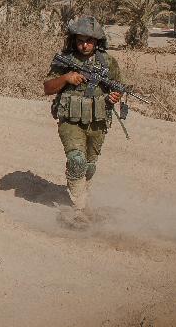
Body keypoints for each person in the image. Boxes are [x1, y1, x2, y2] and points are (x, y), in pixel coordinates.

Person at [42, 17, 123, 226]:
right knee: (77, 160)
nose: (84, 45)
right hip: (70, 120)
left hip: (98, 121)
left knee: (89, 167)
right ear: (73, 40)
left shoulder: (107, 62)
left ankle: (83, 200)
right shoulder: (64, 60)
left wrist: (116, 97)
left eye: (89, 41)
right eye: (80, 40)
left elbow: (117, 87)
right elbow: (47, 88)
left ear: (97, 41)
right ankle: (78, 210)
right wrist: (66, 78)